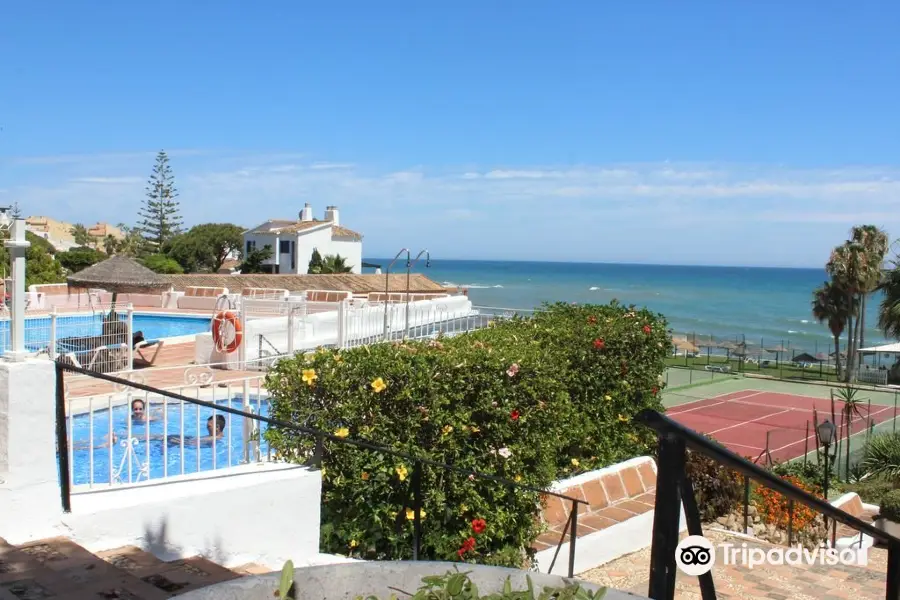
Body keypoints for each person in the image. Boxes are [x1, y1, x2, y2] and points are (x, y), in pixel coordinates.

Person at [155, 415, 226, 447]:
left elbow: (191, 443)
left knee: (168, 439)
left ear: (217, 427)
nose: (207, 428)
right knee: (166, 437)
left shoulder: (214, 438)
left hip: (190, 441)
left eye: (208, 426)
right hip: (192, 438)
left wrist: (175, 441)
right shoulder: (214, 436)